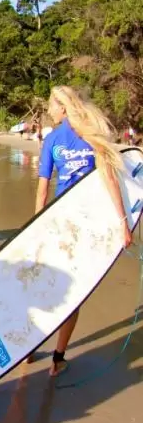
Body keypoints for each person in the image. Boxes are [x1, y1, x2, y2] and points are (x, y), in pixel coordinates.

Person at [28, 85, 134, 377]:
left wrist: (36, 227)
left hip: (58, 220)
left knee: (48, 285)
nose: (49, 110)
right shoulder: (91, 135)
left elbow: (43, 187)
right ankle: (57, 359)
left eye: (51, 105)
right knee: (73, 293)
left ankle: (26, 350)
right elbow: (110, 180)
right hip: (87, 224)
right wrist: (124, 223)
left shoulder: (52, 139)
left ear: (62, 108)